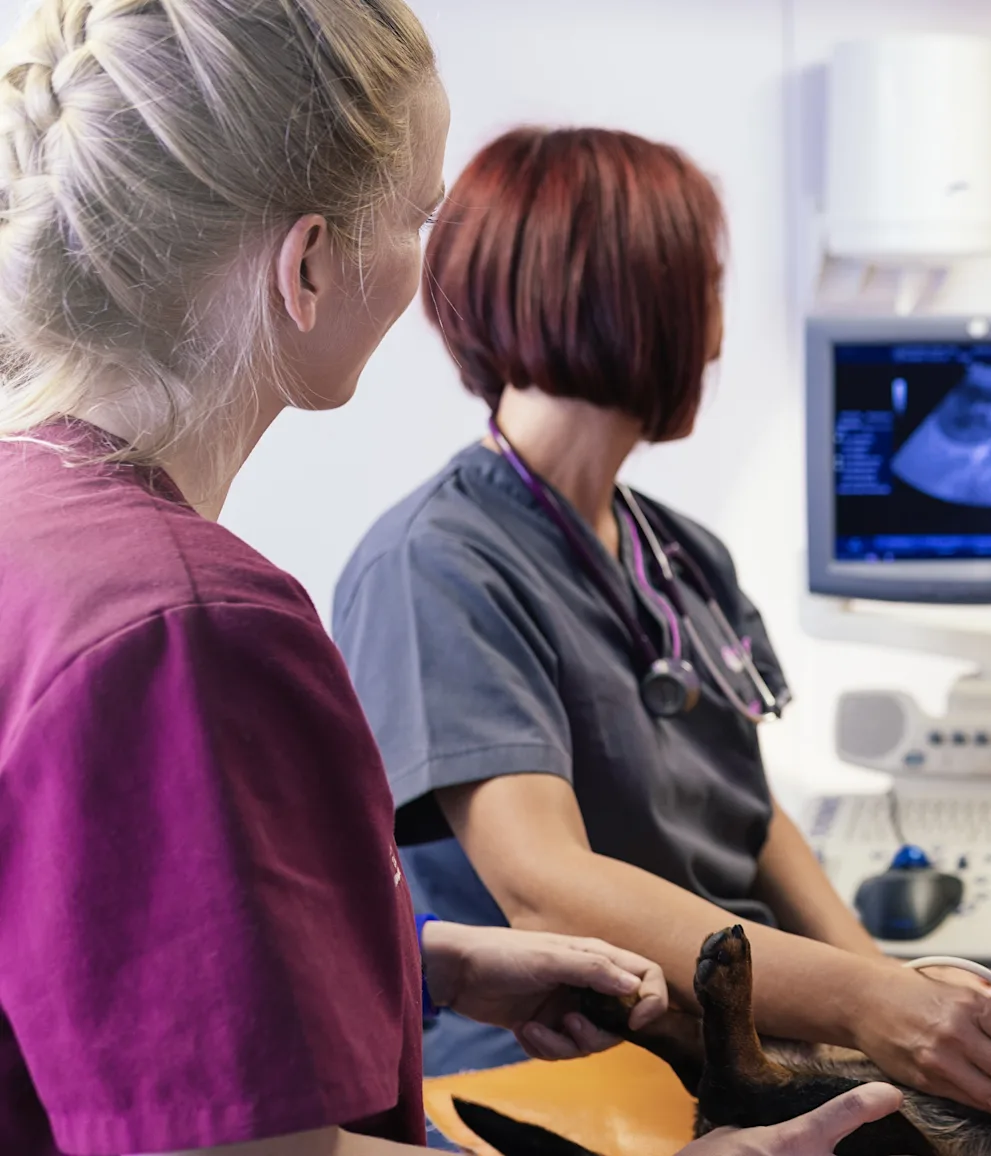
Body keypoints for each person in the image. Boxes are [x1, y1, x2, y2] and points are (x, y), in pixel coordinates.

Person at [0, 2, 897, 1154]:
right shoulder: (193, 629)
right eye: (420, 213)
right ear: (310, 263)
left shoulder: (38, 529)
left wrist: (425, 961)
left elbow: (87, 954)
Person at [329, 127, 991, 1138]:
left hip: (753, 1033)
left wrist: (894, 988)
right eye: (707, 283)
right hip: (570, 1072)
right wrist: (867, 1006)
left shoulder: (679, 551)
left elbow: (750, 816)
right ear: (632, 295)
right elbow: (545, 887)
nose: (719, 331)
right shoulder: (436, 561)